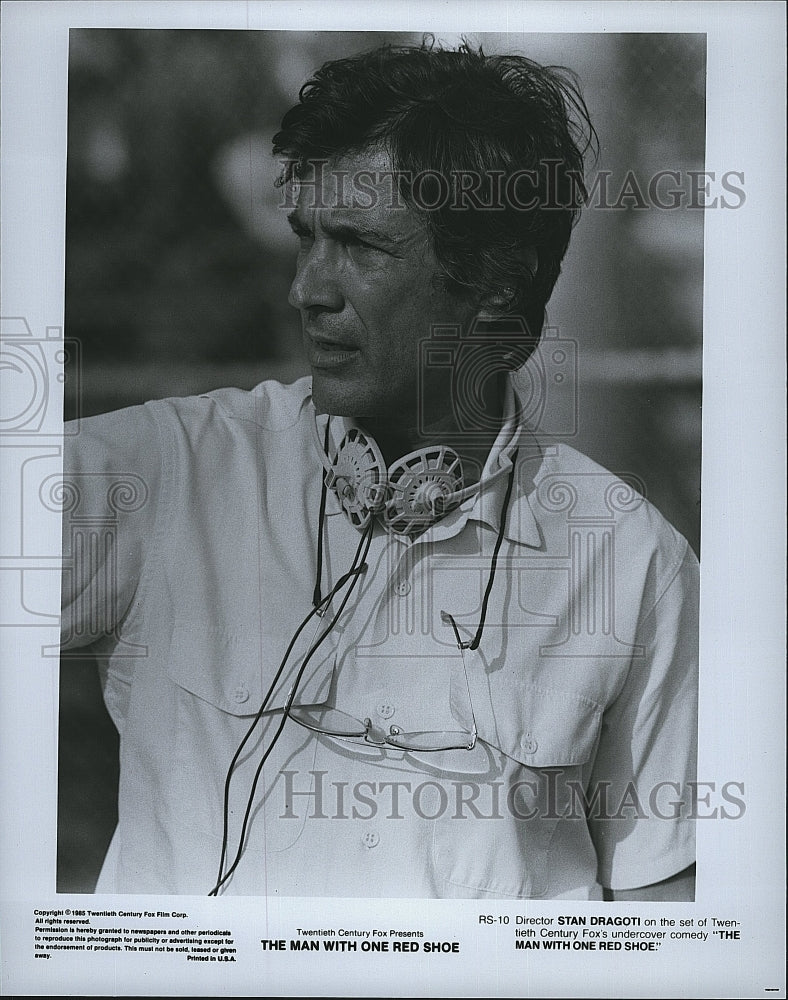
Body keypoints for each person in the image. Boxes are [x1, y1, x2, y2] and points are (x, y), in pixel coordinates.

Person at [60, 40, 698, 900]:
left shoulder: (634, 563)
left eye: (359, 245)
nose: (307, 290)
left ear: (495, 293)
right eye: (306, 238)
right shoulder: (165, 475)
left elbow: (668, 910)